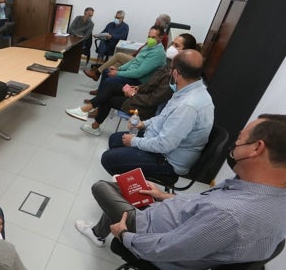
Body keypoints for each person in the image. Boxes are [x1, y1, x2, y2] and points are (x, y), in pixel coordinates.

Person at [76, 113, 286, 270]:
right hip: (168, 222)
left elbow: (168, 250)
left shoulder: (230, 216)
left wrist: (124, 235)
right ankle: (98, 232)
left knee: (103, 187)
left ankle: (100, 232)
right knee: (127, 187)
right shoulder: (262, 193)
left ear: (256, 148)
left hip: (151, 238)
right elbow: (200, 206)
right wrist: (162, 196)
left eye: (240, 140)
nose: (235, 145)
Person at [100, 49, 214, 178]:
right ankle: (126, 175)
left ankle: (131, 187)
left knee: (108, 159)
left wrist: (134, 141)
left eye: (171, 68)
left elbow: (164, 145)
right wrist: (143, 124)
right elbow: (163, 116)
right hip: (159, 139)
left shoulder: (188, 106)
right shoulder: (188, 91)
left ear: (176, 73)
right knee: (115, 140)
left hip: (167, 161)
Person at [65, 34, 198, 136]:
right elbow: (150, 85)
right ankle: (87, 113)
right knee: (110, 86)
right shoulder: (169, 66)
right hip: (140, 95)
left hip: (145, 108)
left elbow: (154, 100)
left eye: (177, 46)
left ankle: (89, 117)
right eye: (173, 43)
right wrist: (137, 88)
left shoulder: (176, 75)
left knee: (110, 97)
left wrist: (133, 93)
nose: (172, 47)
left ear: (186, 52)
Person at [84, 13, 172, 82]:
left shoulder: (162, 37)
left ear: (159, 22)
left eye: (156, 20)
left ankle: (97, 72)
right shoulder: (110, 24)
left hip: (139, 61)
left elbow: (151, 52)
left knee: (118, 55)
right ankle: (100, 87)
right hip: (136, 56)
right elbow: (146, 47)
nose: (155, 21)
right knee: (112, 67)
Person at [94, 25, 166, 94]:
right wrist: (118, 69)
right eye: (149, 37)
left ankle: (98, 101)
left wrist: (117, 73)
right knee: (106, 71)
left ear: (160, 38)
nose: (150, 39)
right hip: (132, 72)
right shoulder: (149, 46)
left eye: (153, 37)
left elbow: (139, 73)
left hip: (138, 81)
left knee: (109, 80)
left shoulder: (158, 53)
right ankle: (100, 95)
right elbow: (134, 60)